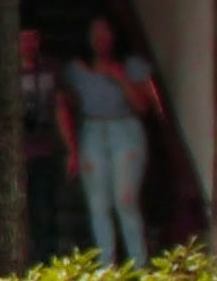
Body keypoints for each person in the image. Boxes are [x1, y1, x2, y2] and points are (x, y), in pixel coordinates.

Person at [58, 16, 166, 263]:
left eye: (106, 34)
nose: (101, 40)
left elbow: (144, 105)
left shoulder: (132, 65)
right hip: (92, 129)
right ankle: (106, 265)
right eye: (96, 34)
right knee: (98, 204)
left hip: (124, 129)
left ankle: (138, 263)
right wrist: (71, 147)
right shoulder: (76, 69)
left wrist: (118, 76)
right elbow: (63, 104)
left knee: (125, 200)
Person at [17, 27, 77, 266]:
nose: (29, 44)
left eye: (33, 39)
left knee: (45, 208)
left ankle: (45, 261)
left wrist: (72, 149)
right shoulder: (7, 70)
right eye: (24, 39)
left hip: (45, 150)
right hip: (18, 153)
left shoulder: (51, 70)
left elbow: (62, 109)